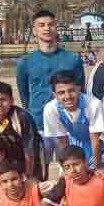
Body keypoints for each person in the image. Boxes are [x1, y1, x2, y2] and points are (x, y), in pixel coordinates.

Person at [16, 9, 85, 177]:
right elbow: (24, 94)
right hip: (39, 125)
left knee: (70, 173)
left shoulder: (73, 59)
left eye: (51, 24)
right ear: (34, 30)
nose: (46, 28)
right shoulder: (25, 62)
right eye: (41, 25)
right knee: (39, 173)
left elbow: (80, 90)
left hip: (68, 126)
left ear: (56, 28)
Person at [43, 70, 104, 171]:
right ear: (54, 95)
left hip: (98, 149)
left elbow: (95, 138)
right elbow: (62, 140)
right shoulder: (50, 109)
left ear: (78, 89)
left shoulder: (93, 104)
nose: (67, 96)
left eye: (71, 90)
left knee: (99, 179)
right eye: (61, 93)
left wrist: (97, 166)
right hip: (73, 147)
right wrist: (68, 166)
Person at [0, 81, 42, 179]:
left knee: (32, 187)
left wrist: (28, 176)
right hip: (2, 161)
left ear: (11, 100)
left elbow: (30, 151)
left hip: (27, 161)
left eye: (3, 100)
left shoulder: (22, 117)